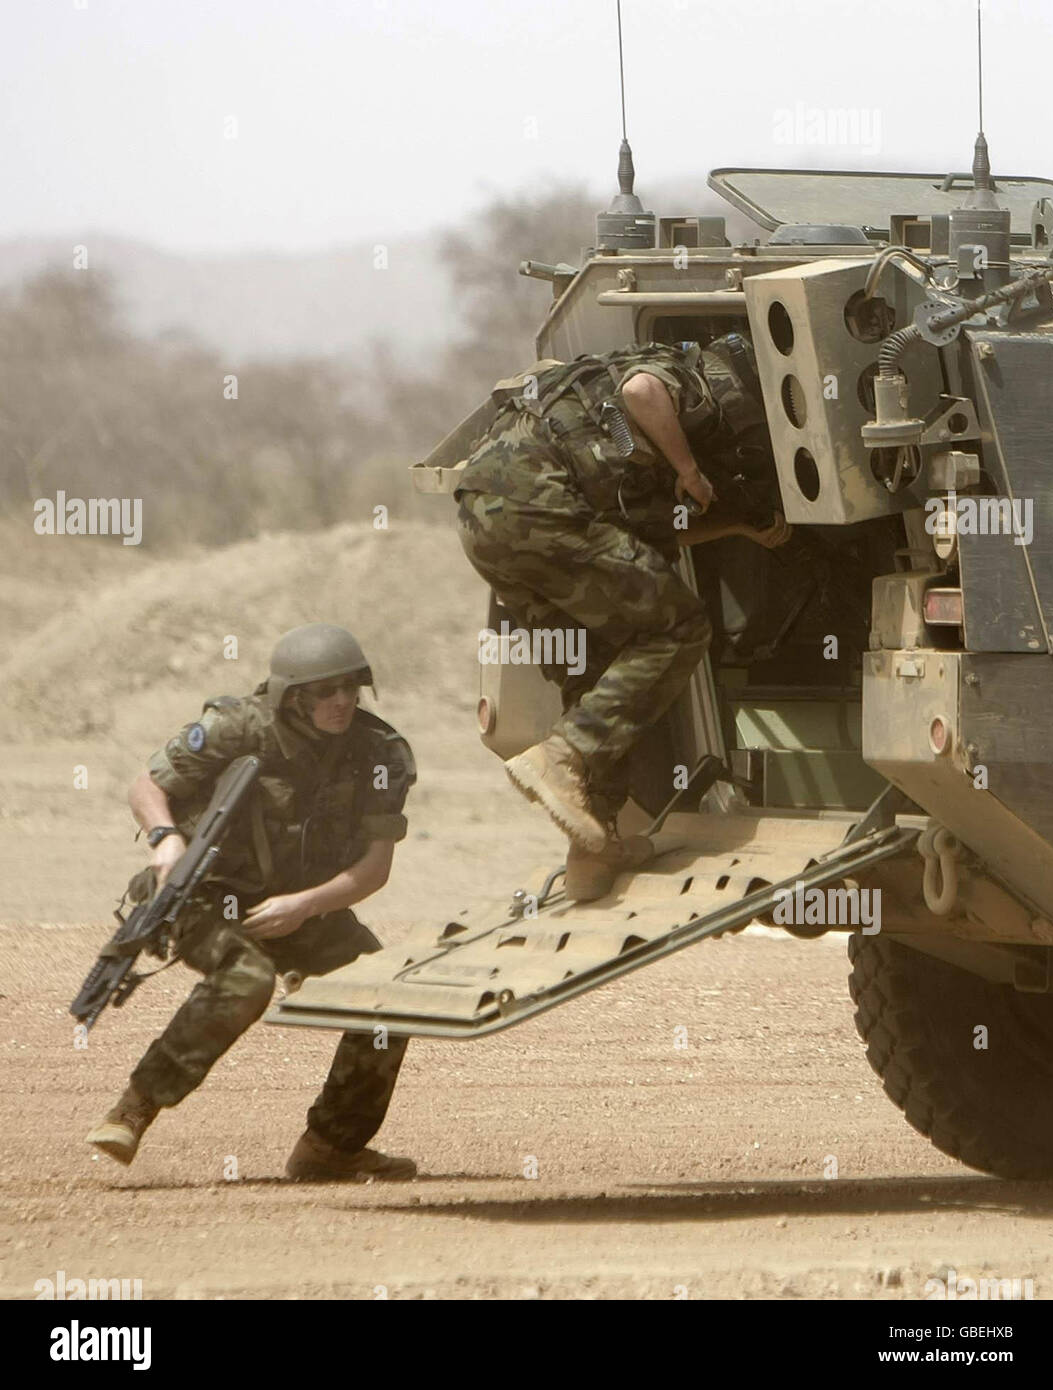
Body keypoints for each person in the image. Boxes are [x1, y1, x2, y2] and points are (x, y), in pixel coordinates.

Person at [454, 338, 790, 901]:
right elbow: (642, 391)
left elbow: (654, 532)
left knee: (596, 670)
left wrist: (736, 524)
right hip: (543, 505)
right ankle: (564, 756)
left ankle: (594, 845)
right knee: (678, 628)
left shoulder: (612, 420)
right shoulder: (683, 374)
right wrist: (690, 470)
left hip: (486, 521)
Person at [85, 623, 418, 1181]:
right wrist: (165, 840)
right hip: (207, 897)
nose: (341, 702)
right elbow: (147, 784)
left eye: (350, 688)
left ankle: (330, 1148)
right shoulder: (238, 727)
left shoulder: (379, 751)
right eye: (324, 690)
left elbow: (373, 870)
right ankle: (134, 1109)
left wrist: (306, 906)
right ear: (291, 694)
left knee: (388, 997)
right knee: (247, 980)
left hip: (306, 905)